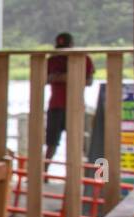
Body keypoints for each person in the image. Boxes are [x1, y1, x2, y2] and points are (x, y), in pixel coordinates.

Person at [45, 33, 94, 162]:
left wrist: (69, 77)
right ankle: (43, 174)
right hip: (56, 106)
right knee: (51, 143)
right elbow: (43, 79)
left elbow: (89, 81)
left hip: (76, 106)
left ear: (72, 45)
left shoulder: (84, 59)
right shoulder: (52, 60)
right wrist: (61, 77)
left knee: (79, 142)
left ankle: (81, 176)